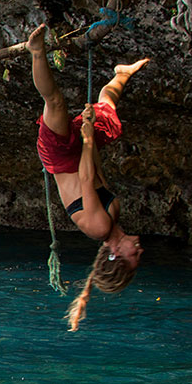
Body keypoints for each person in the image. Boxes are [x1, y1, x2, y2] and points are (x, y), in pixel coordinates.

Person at [28, 23, 149, 330]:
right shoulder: (114, 217)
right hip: (81, 154)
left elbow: (84, 180)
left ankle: (36, 51)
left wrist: (86, 139)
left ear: (116, 256)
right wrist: (92, 131)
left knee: (54, 103)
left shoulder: (99, 228)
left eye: (134, 257)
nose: (140, 251)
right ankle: (122, 73)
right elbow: (96, 175)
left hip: (59, 158)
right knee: (108, 111)